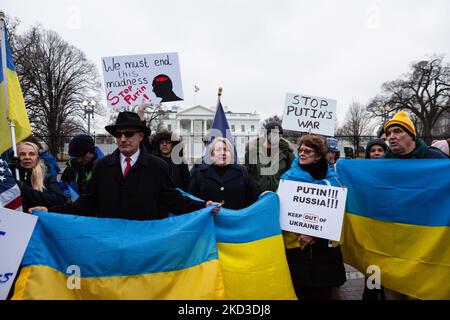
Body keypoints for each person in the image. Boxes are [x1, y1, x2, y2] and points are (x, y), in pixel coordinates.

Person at [29, 111, 220, 219]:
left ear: (141, 136)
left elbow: (174, 200)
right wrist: (50, 211)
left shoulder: (157, 166)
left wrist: (203, 205)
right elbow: (85, 204)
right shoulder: (102, 167)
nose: (122, 139)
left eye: (128, 134)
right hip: (111, 244)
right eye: (118, 134)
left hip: (147, 243)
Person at [280, 135, 346, 300]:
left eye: (307, 151)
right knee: (301, 291)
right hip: (297, 246)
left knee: (325, 293)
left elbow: (335, 210)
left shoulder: (331, 179)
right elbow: (284, 209)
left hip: (324, 248)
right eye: (300, 150)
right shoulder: (289, 176)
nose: (302, 153)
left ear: (318, 155)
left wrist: (313, 232)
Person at [189, 137, 258, 210]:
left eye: (226, 150)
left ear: (231, 154)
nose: (223, 153)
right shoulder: (201, 173)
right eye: (218, 150)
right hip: (210, 220)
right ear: (212, 155)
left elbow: (252, 198)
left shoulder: (242, 172)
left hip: (235, 220)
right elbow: (193, 199)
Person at [8, 141, 66, 212]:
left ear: (37, 158)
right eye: (22, 154)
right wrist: (11, 172)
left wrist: (24, 188)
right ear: (17, 157)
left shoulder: (47, 177)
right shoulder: (10, 176)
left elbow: (60, 200)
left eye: (32, 154)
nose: (27, 157)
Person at [244, 121, 295, 195]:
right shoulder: (252, 153)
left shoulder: (287, 154)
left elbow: (292, 175)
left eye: (279, 134)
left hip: (279, 196)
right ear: (265, 134)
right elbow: (246, 176)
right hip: (257, 197)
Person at [59, 134, 105, 202]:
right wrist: (69, 197)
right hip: (75, 209)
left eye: (81, 156)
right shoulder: (71, 167)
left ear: (91, 151)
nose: (79, 160)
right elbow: (62, 188)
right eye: (76, 157)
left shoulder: (104, 167)